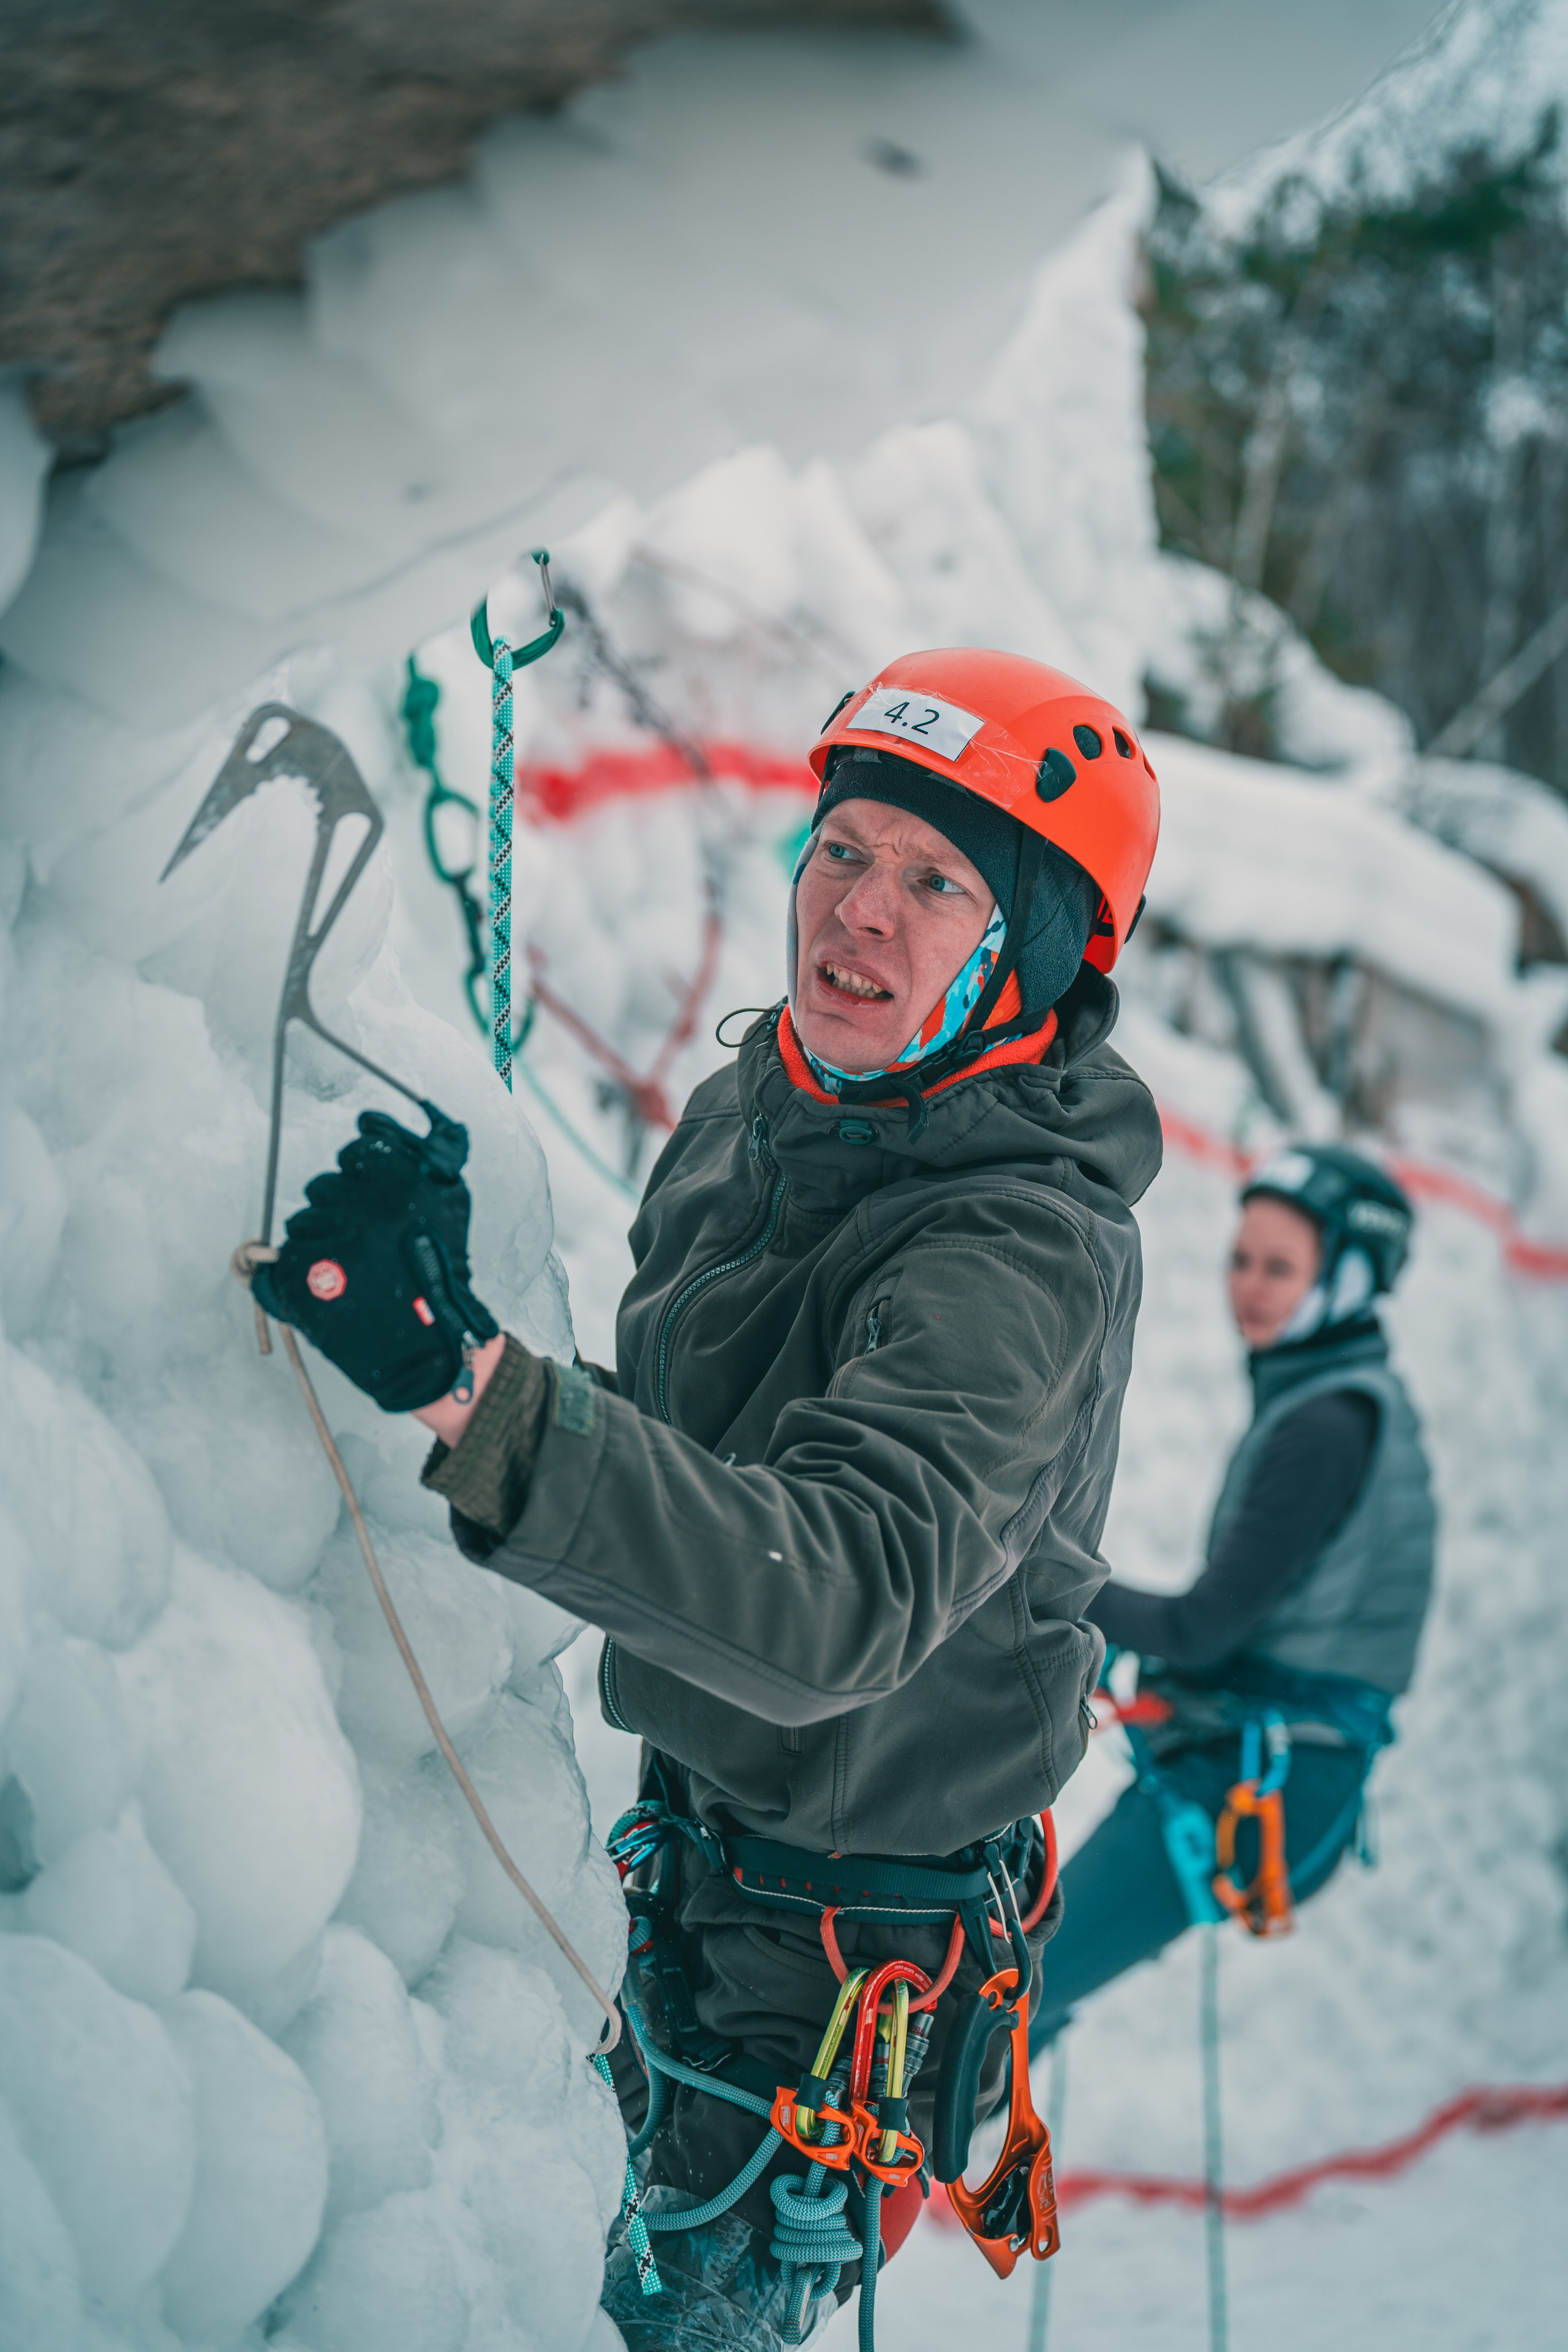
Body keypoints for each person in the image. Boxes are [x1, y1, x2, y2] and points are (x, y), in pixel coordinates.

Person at [249, 649, 1162, 2348]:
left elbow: (832, 1596)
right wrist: (478, 1343)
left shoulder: (1020, 1247)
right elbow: (686, 1463)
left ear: (1028, 955)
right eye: (843, 851)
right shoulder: (766, 1116)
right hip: (685, 1859)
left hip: (841, 1960)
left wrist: (473, 1387)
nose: (860, 912)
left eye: (935, 882)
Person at [1028, 1144, 1436, 2057]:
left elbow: (1202, 1631)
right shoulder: (1346, 1400)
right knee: (1021, 1996)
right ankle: (946, 2188)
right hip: (1278, 1769)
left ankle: (904, 2193)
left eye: (1281, 1267)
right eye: (1242, 1259)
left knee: (1014, 1994)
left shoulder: (1326, 1427)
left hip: (1264, 1780)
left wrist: (1044, 1578)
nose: (1248, 1287)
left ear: (1352, 1278)